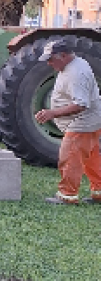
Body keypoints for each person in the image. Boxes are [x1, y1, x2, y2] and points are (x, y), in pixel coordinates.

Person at [33, 39, 101, 205]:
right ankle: (99, 191)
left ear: (63, 55)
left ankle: (67, 195)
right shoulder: (72, 66)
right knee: (91, 158)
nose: (48, 63)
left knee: (70, 157)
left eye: (50, 59)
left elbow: (81, 104)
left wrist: (52, 113)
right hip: (89, 123)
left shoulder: (77, 73)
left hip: (81, 123)